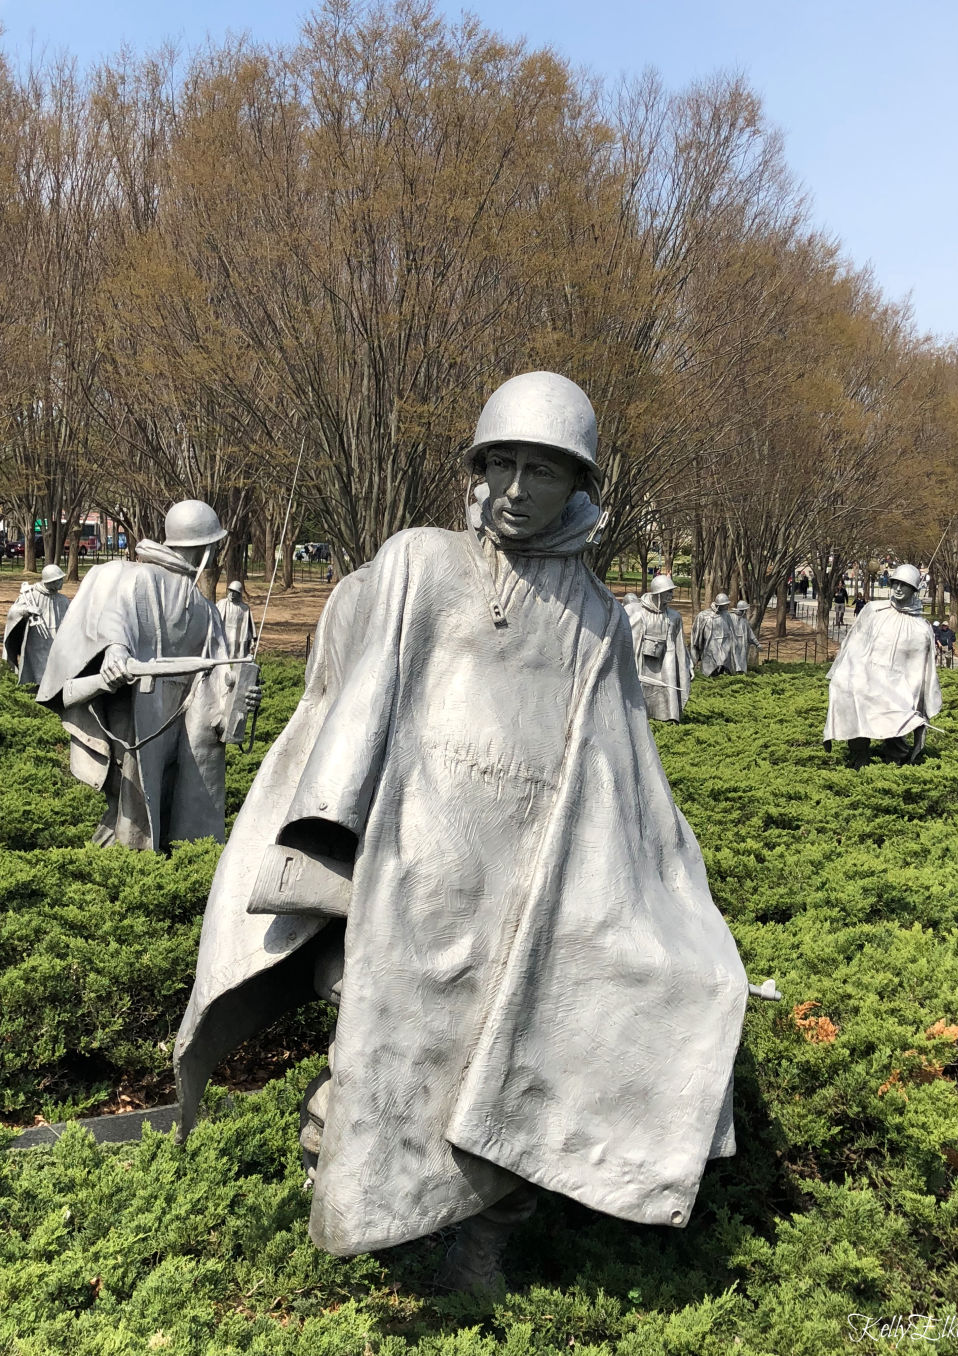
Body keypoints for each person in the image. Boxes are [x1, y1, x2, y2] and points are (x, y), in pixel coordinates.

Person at [174, 371, 748, 1291]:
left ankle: (484, 1239)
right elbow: (354, 711)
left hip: (527, 887)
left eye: (543, 471)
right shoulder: (421, 562)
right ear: (478, 469)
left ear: (580, 485)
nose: (518, 490)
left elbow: (625, 772)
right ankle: (363, 1230)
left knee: (513, 1065)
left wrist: (677, 903)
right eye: (502, 464)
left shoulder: (599, 616)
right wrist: (331, 860)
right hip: (414, 871)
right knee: (379, 1057)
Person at [37, 501, 260, 851]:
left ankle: (170, 866)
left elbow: (222, 677)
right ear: (203, 547)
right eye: (213, 546)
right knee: (132, 809)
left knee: (170, 802)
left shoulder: (203, 607)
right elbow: (117, 617)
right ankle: (120, 873)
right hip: (139, 712)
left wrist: (241, 700)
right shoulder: (137, 577)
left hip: (185, 722)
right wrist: (116, 651)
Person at [823, 562, 941, 768]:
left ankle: (896, 761)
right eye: (895, 583)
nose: (898, 589)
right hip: (867, 679)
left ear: (914, 589)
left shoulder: (921, 628)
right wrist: (848, 675)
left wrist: (918, 702)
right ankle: (859, 757)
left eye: (904, 585)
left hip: (898, 688)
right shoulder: (874, 611)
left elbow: (922, 671)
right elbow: (854, 645)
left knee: (898, 717)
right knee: (854, 700)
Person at [624, 573, 693, 720]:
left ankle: (669, 717)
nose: (671, 594)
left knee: (669, 684)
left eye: (671, 591)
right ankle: (638, 716)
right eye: (668, 591)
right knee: (640, 687)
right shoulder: (637, 612)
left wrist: (688, 664)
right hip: (641, 657)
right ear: (658, 593)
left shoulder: (674, 616)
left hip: (666, 653)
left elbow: (680, 644)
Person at [2, 564, 69, 685]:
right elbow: (13, 611)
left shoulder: (63, 600)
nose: (62, 582)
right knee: (37, 672)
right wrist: (27, 610)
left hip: (56, 643)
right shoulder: (30, 595)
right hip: (36, 641)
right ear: (50, 582)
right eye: (59, 580)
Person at [690, 592, 738, 676]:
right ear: (718, 605)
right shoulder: (704, 616)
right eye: (724, 605)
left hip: (725, 652)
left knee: (723, 674)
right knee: (710, 673)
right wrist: (695, 655)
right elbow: (696, 637)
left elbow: (732, 633)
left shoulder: (727, 615)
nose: (726, 607)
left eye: (727, 605)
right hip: (710, 651)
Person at [217, 580, 256, 659]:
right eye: (230, 591)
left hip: (237, 633)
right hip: (224, 632)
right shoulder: (222, 603)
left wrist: (251, 638)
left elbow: (248, 626)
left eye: (234, 591)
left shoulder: (244, 608)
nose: (231, 593)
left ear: (239, 593)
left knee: (235, 651)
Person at [731, 600, 761, 672]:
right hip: (733, 645)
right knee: (734, 663)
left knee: (741, 663)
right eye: (745, 610)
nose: (746, 612)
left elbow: (750, 634)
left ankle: (740, 674)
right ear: (744, 611)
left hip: (742, 646)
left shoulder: (744, 621)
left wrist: (757, 644)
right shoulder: (731, 618)